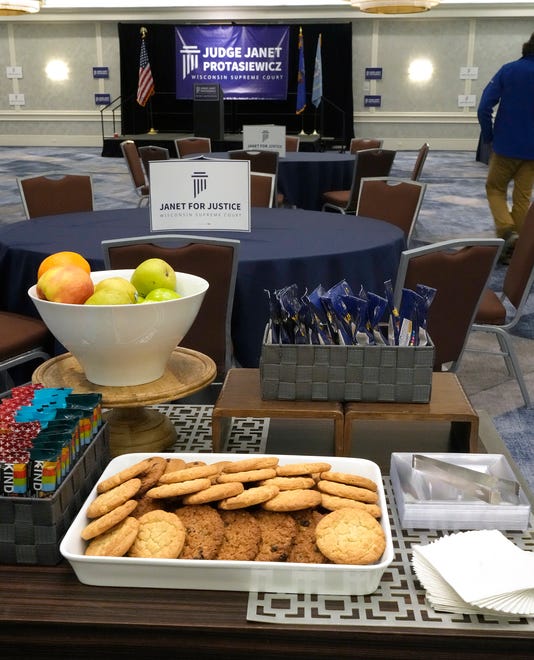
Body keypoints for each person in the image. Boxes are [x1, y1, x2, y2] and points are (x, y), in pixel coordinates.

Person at [477, 33, 534, 264]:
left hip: (505, 146)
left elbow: (484, 107)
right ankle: (516, 251)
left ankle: (507, 231)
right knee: (522, 198)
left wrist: (489, 136)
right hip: (532, 152)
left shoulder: (509, 70)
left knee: (494, 189)